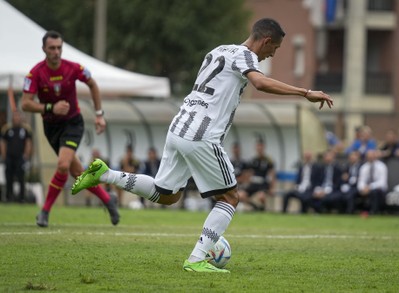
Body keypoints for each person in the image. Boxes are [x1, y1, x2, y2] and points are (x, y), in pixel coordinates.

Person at [72, 18, 333, 273]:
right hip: (202, 134)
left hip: (179, 127)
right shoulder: (246, 55)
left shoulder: (217, 51)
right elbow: (261, 83)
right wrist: (304, 93)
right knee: (230, 198)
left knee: (168, 194)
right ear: (265, 41)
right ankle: (197, 258)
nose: (269, 55)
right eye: (273, 49)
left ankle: (105, 174)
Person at [20, 30, 119, 227]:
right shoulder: (36, 73)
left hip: (73, 123)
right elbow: (25, 104)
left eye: (59, 48)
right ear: (44, 49)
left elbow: (93, 84)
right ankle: (108, 200)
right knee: (76, 171)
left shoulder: (73, 68)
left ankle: (44, 212)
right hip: (51, 126)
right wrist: (50, 107)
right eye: (52, 48)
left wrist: (99, 114)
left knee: (63, 165)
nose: (56, 52)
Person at [0, 111, 32, 202]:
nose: (17, 118)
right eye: (15, 116)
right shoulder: (6, 129)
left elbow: (28, 143)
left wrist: (25, 156)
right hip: (9, 157)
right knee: (8, 177)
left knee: (21, 177)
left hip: (20, 157)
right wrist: (4, 156)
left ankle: (21, 197)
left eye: (18, 116)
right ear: (12, 118)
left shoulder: (25, 129)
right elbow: (3, 143)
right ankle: (8, 197)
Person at [238, 138, 276, 211]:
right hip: (253, 183)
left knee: (261, 197)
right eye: (258, 146)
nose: (259, 148)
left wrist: (272, 188)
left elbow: (272, 174)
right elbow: (248, 173)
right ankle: (254, 206)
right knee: (241, 195)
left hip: (263, 184)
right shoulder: (253, 160)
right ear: (256, 148)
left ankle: (263, 209)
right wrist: (246, 183)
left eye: (261, 146)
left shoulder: (268, 160)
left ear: (263, 147)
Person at [357, 149, 388, 215]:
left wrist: (370, 187)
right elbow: (361, 181)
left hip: (380, 190)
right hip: (366, 189)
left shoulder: (382, 166)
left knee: (374, 192)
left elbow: (382, 183)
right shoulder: (364, 167)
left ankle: (374, 211)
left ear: (375, 156)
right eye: (369, 156)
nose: (370, 157)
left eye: (372, 156)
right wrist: (363, 188)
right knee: (355, 191)